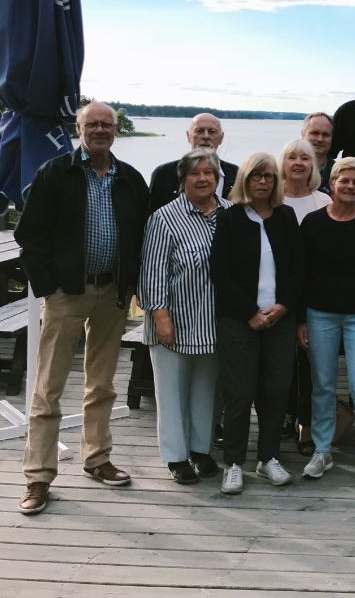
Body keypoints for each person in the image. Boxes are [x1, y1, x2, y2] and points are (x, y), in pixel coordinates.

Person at [14, 102, 149, 516]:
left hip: (112, 294)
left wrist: (130, 287)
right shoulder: (55, 173)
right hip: (66, 294)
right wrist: (50, 287)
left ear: (116, 131)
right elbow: (29, 235)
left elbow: (142, 237)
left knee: (102, 383)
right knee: (48, 387)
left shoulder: (130, 179)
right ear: (79, 128)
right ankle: (38, 477)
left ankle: (97, 458)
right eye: (92, 123)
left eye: (107, 124)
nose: (100, 130)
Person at [210, 152, 303, 494]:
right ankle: (233, 463)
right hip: (239, 319)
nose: (263, 182)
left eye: (268, 176)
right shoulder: (230, 218)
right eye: (256, 176)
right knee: (240, 392)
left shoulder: (286, 216)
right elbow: (220, 273)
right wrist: (250, 312)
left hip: (279, 318)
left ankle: (268, 459)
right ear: (245, 180)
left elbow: (297, 269)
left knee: (276, 389)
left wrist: (282, 307)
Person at [299, 157, 355, 487]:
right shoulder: (312, 223)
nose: (350, 186)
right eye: (344, 181)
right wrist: (300, 320)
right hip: (319, 313)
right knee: (322, 384)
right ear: (332, 183)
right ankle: (322, 450)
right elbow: (302, 274)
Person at [140, 149, 228, 484]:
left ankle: (200, 449)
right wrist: (161, 317)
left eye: (210, 173)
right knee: (172, 391)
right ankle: (176, 456)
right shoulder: (164, 218)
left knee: (207, 389)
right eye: (196, 173)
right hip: (174, 319)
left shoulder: (230, 214)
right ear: (183, 179)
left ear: (218, 179)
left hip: (213, 321)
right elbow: (153, 273)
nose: (203, 178)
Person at [278, 137, 332, 456]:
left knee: (308, 365)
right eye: (292, 157)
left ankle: (306, 425)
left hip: (313, 296)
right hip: (277, 295)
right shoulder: (271, 200)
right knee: (279, 364)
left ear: (313, 166)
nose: (298, 163)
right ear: (282, 163)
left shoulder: (323, 202)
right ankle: (284, 417)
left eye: (305, 158)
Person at [148, 113, 239, 211]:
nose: (206, 136)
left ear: (221, 138)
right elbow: (151, 214)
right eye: (199, 131)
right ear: (188, 136)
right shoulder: (163, 173)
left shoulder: (237, 175)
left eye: (212, 132)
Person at [300, 113, 335, 196]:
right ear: (303, 134)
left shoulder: (339, 173)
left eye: (325, 134)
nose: (320, 139)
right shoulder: (285, 171)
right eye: (314, 133)